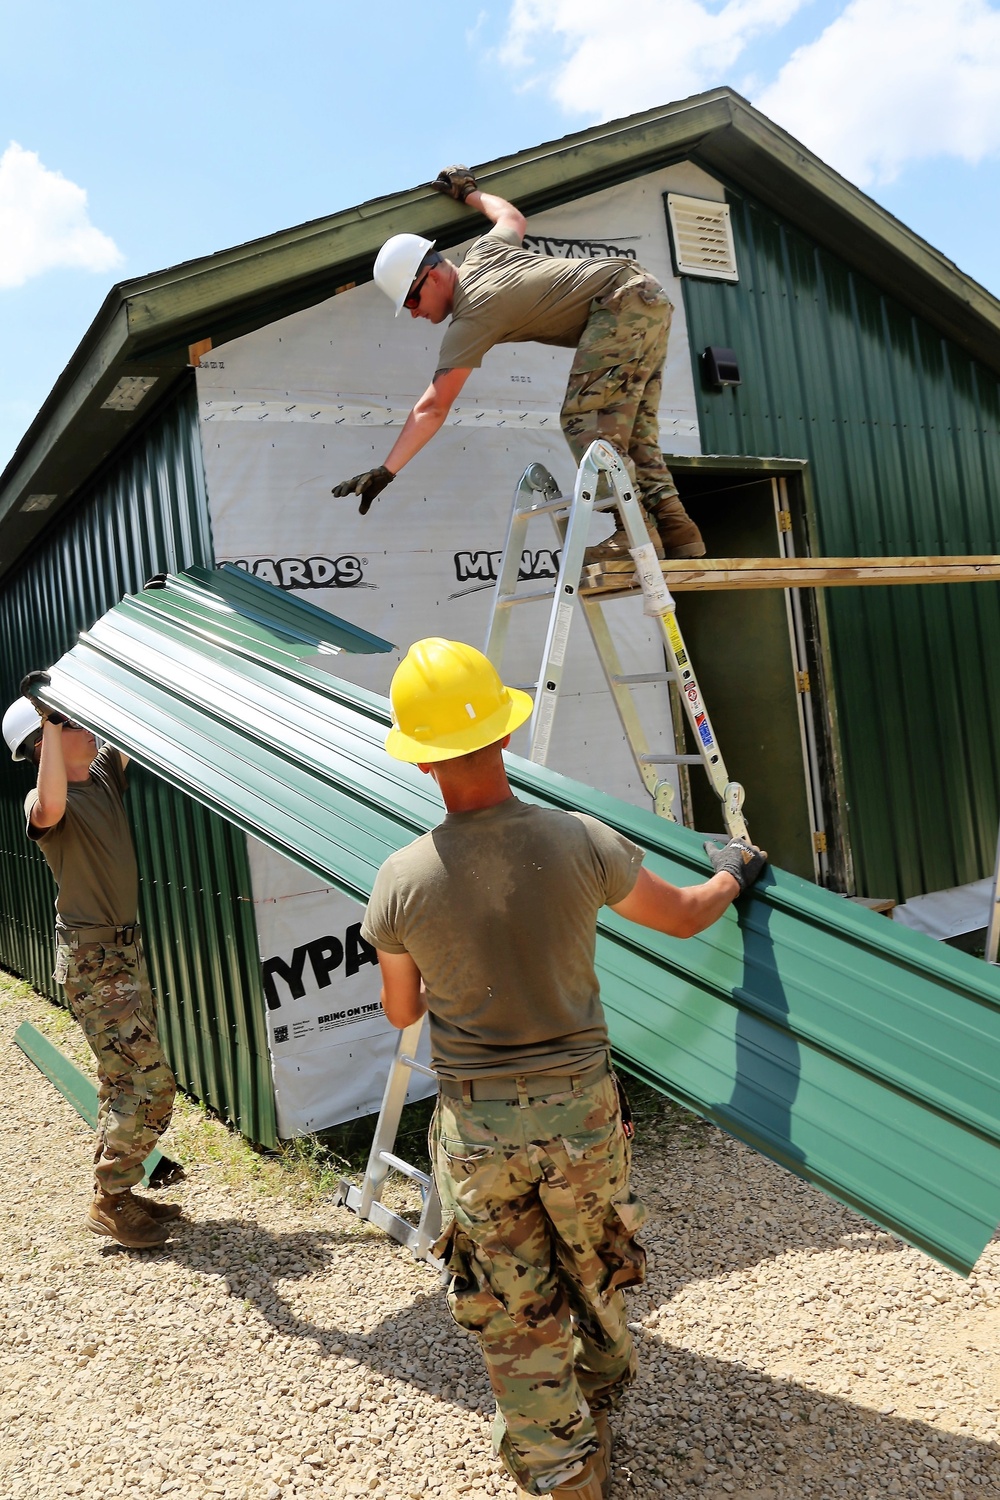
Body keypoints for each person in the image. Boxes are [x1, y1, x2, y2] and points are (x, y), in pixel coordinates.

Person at [360, 639, 765, 1499]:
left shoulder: (399, 879)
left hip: (476, 1128)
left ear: (423, 758)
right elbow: (688, 919)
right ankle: (604, 1384)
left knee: (512, 1304)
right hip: (581, 1114)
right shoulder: (583, 842)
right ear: (502, 737)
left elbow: (402, 1013)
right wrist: (731, 875)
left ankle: (563, 1470)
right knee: (596, 1260)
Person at [333, 165, 706, 566]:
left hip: (617, 303)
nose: (413, 314)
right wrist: (468, 192)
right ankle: (677, 529)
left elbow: (433, 407)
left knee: (584, 419)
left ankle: (633, 537)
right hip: (647, 296)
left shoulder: (473, 315)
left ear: (432, 276)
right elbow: (511, 218)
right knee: (633, 431)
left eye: (410, 301)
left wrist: (386, 471)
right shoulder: (484, 252)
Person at [2, 682, 181, 1250]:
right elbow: (48, 804)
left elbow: (126, 708)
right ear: (43, 742)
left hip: (121, 953)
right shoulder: (45, 802)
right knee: (151, 1085)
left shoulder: (102, 772)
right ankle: (110, 1197)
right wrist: (51, 720)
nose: (92, 729)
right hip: (94, 960)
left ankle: (120, 1190)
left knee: (120, 1079)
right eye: (73, 723)